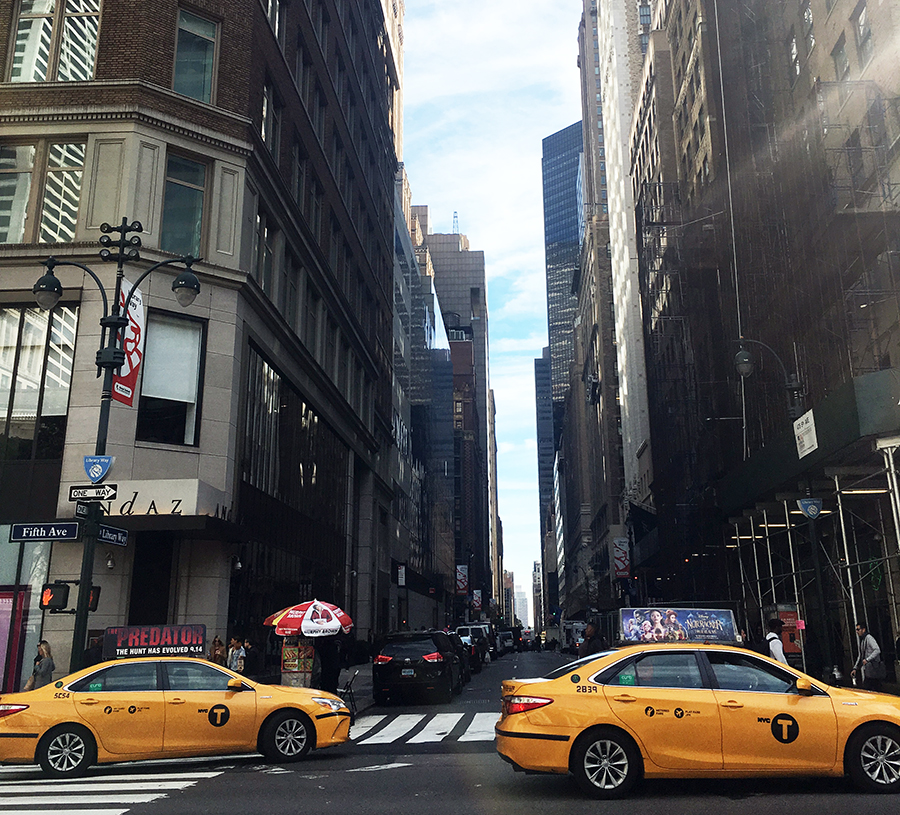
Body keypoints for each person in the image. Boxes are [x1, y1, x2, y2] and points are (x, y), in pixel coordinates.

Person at [851, 621, 883, 691]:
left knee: (870, 685)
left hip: (873, 668)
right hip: (869, 669)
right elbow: (860, 655)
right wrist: (855, 668)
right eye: (856, 630)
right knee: (873, 686)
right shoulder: (863, 640)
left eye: (858, 629)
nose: (857, 631)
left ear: (863, 629)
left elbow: (877, 650)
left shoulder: (869, 638)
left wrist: (868, 659)